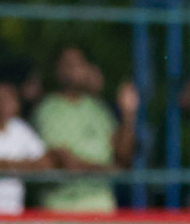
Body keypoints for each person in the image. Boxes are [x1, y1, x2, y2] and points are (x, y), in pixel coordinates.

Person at [33, 46, 137, 213]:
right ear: (57, 70)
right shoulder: (47, 109)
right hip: (60, 209)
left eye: (78, 63)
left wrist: (127, 114)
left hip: (101, 209)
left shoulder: (99, 110)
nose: (73, 69)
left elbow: (123, 157)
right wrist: (108, 170)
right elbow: (65, 162)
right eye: (67, 63)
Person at [0, 79, 57, 215]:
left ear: (16, 104)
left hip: (12, 213)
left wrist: (1, 165)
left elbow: (46, 163)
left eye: (8, 100)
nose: (2, 105)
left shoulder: (20, 128)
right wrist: (21, 165)